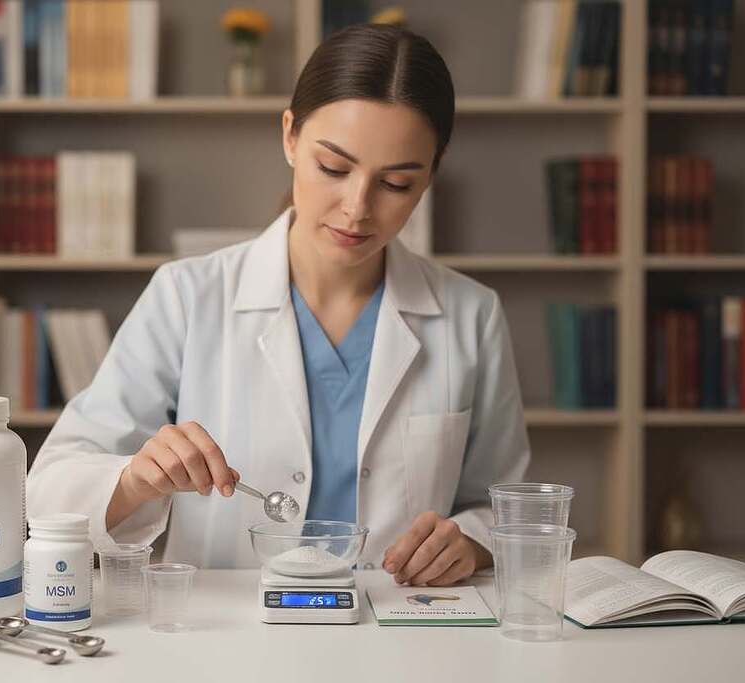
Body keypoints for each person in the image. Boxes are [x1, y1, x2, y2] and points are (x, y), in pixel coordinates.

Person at [27, 23, 529, 586]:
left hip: (395, 633)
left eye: (396, 184)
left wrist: (470, 542)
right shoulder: (187, 296)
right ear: (290, 136)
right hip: (224, 639)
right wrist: (136, 479)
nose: (357, 208)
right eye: (334, 169)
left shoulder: (471, 315)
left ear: (432, 171)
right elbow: (50, 488)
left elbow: (506, 505)